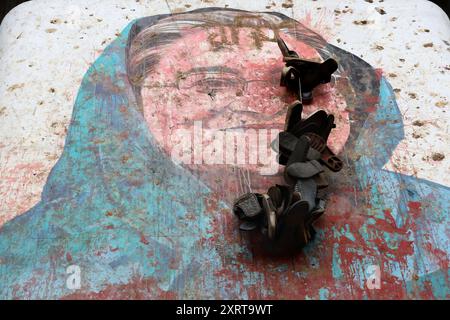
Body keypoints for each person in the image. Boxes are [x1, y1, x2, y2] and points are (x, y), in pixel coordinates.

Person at [0, 8, 447, 299]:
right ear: (134, 104)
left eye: (304, 90)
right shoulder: (27, 256)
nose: (253, 107)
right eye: (210, 85)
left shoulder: (437, 224)